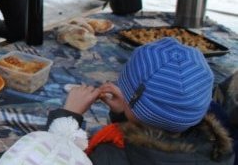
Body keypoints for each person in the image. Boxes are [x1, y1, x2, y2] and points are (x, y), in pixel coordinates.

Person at [39, 38, 234, 164]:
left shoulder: (111, 156)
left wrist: (67, 119)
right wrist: (126, 115)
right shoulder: (217, 150)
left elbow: (49, 159)